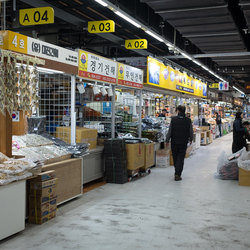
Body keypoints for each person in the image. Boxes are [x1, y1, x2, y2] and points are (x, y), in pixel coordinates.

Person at [166, 105, 193, 181]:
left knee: (175, 156)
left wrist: (167, 140)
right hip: (183, 142)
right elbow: (190, 130)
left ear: (178, 111)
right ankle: (178, 173)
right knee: (180, 157)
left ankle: (177, 171)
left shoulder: (174, 119)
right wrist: (191, 139)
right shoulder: (188, 120)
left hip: (174, 141)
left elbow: (170, 131)